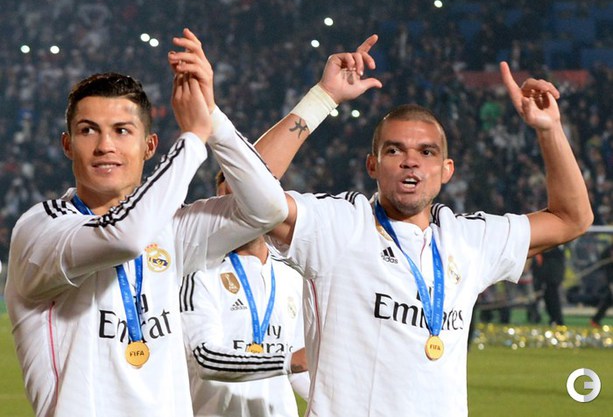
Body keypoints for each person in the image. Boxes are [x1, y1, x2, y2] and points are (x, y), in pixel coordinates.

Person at [171, 35, 593, 416]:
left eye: (426, 152)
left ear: (446, 170)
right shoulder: (340, 227)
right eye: (394, 150)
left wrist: (550, 130)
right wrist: (322, 98)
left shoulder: (470, 239)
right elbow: (244, 193)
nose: (411, 161)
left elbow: (572, 219)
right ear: (372, 165)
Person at [5, 28, 288, 417]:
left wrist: (212, 116)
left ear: (149, 146)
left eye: (122, 131)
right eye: (88, 130)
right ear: (67, 145)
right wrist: (193, 140)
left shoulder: (171, 229)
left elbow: (268, 209)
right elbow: (125, 238)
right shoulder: (41, 228)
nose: (105, 146)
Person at [180, 171, 310, 417]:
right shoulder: (198, 272)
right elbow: (204, 358)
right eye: (230, 197)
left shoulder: (292, 275)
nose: (241, 206)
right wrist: (289, 361)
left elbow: (300, 367)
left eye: (248, 194)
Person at [530, 244, 566, 325]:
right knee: (548, 297)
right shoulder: (558, 248)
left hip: (551, 276)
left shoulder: (555, 248)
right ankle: (554, 319)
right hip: (547, 275)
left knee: (552, 298)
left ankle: (556, 319)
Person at [590, 242, 613, 328]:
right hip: (612, 277)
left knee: (608, 299)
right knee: (609, 299)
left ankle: (595, 320)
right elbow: (603, 259)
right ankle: (595, 320)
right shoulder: (609, 249)